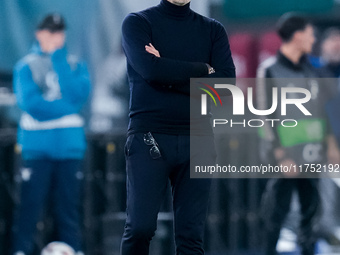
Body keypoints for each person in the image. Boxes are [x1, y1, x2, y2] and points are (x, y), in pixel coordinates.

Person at [120, 0, 235, 254]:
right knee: (140, 227)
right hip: (150, 135)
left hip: (199, 138)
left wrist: (168, 74)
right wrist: (203, 69)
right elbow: (150, 70)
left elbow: (225, 86)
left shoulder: (212, 30)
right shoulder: (138, 23)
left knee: (191, 235)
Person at [11, 13, 91, 255]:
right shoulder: (26, 65)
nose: (55, 37)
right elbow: (31, 104)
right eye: (50, 32)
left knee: (68, 207)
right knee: (30, 206)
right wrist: (66, 107)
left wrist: (59, 60)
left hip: (69, 148)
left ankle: (73, 249)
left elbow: (79, 95)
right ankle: (21, 250)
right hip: (37, 149)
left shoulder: (75, 63)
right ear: (39, 33)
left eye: (60, 32)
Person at [256, 13, 333, 255]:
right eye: (310, 34)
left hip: (311, 153)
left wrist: (331, 146)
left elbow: (322, 112)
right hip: (284, 156)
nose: (314, 39)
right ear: (297, 35)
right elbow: (263, 115)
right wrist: (280, 155)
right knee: (276, 211)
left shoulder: (311, 70)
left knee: (311, 212)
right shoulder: (269, 70)